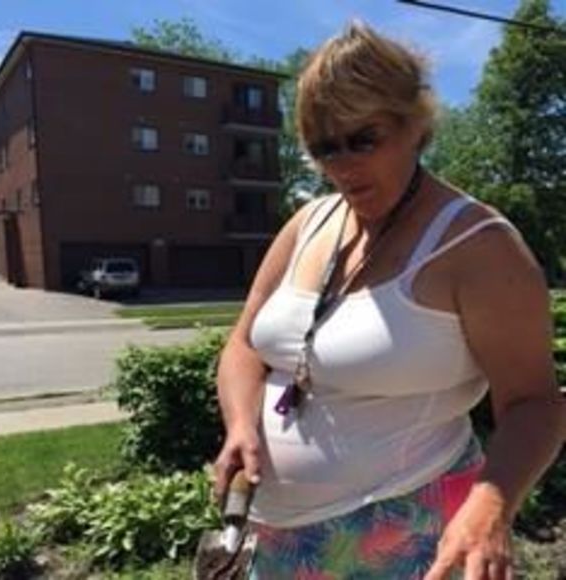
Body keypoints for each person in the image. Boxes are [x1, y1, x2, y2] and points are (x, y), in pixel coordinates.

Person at [212, 20, 564, 579]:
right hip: (277, 538)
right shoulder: (309, 221)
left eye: (364, 139)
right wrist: (240, 425)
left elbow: (536, 405)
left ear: (414, 123)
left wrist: (491, 505)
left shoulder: (480, 247)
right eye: (325, 148)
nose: (342, 166)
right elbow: (244, 346)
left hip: (410, 537)